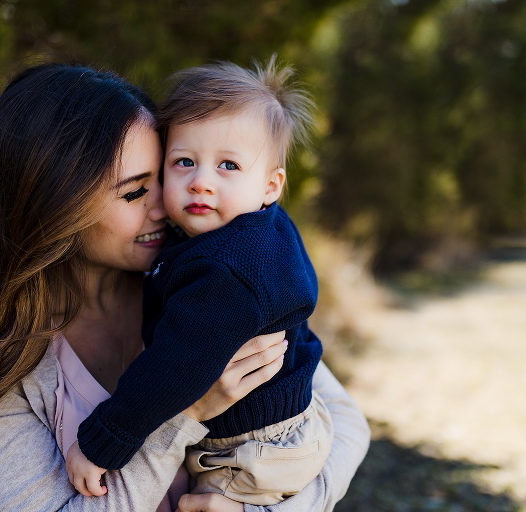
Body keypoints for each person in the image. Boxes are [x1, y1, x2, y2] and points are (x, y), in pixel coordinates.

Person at [0, 62, 370, 512]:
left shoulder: (197, 277)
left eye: (161, 174)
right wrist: (186, 414)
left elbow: (346, 423)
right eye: (134, 191)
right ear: (54, 208)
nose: (167, 203)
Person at [66, 56, 344, 507]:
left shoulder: (228, 271)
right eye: (183, 162)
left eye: (228, 166)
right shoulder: (249, 231)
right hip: (285, 427)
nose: (200, 183)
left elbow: (174, 366)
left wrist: (102, 441)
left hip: (254, 449)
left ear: (271, 186)